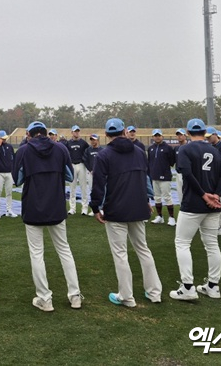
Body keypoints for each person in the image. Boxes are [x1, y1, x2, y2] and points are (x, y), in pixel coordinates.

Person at [90, 119, 162, 308]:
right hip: (138, 207)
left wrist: (95, 207)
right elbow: (145, 179)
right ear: (124, 131)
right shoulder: (139, 151)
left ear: (106, 135)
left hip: (116, 209)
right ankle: (155, 292)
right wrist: (148, 200)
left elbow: (98, 184)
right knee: (143, 249)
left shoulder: (104, 155)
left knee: (121, 254)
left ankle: (126, 296)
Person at [13, 121, 82, 311]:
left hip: (33, 207)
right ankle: (75, 295)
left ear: (30, 134)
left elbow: (17, 180)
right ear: (45, 133)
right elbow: (69, 176)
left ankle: (45, 298)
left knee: (37, 254)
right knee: (64, 250)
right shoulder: (60, 149)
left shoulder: (24, 151)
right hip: (56, 206)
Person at [169, 118, 221, 301]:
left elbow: (186, 173)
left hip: (193, 203)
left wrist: (204, 195)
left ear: (187, 132)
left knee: (182, 243)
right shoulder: (215, 150)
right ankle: (213, 286)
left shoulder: (185, 149)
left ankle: (188, 287)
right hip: (212, 205)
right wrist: (216, 195)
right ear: (205, 133)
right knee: (212, 244)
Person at [147, 129, 177, 226]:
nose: (157, 137)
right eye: (155, 136)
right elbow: (149, 162)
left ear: (162, 136)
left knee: (167, 197)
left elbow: (172, 162)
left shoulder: (168, 148)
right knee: (156, 198)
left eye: (159, 135)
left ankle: (172, 218)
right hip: (154, 176)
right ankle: (159, 216)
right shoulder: (151, 148)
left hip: (165, 176)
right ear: (153, 137)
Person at [0, 130, 16, 218]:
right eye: (3, 138)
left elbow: (13, 158)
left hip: (9, 172)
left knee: (9, 192)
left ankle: (9, 210)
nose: (5, 140)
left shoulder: (9, 146)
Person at [65, 125, 90, 215]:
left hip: (81, 165)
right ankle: (72, 208)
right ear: (72, 132)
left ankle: (84, 208)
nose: (77, 133)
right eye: (75, 131)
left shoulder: (83, 143)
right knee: (72, 187)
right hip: (72, 165)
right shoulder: (68, 143)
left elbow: (88, 153)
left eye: (78, 131)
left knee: (84, 187)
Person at [82, 134, 102, 202]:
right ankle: (93, 208)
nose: (93, 141)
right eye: (91, 140)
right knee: (91, 190)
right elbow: (85, 160)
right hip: (91, 173)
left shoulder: (102, 150)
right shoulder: (88, 150)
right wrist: (90, 170)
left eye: (94, 140)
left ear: (97, 140)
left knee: (100, 190)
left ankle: (101, 207)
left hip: (100, 173)